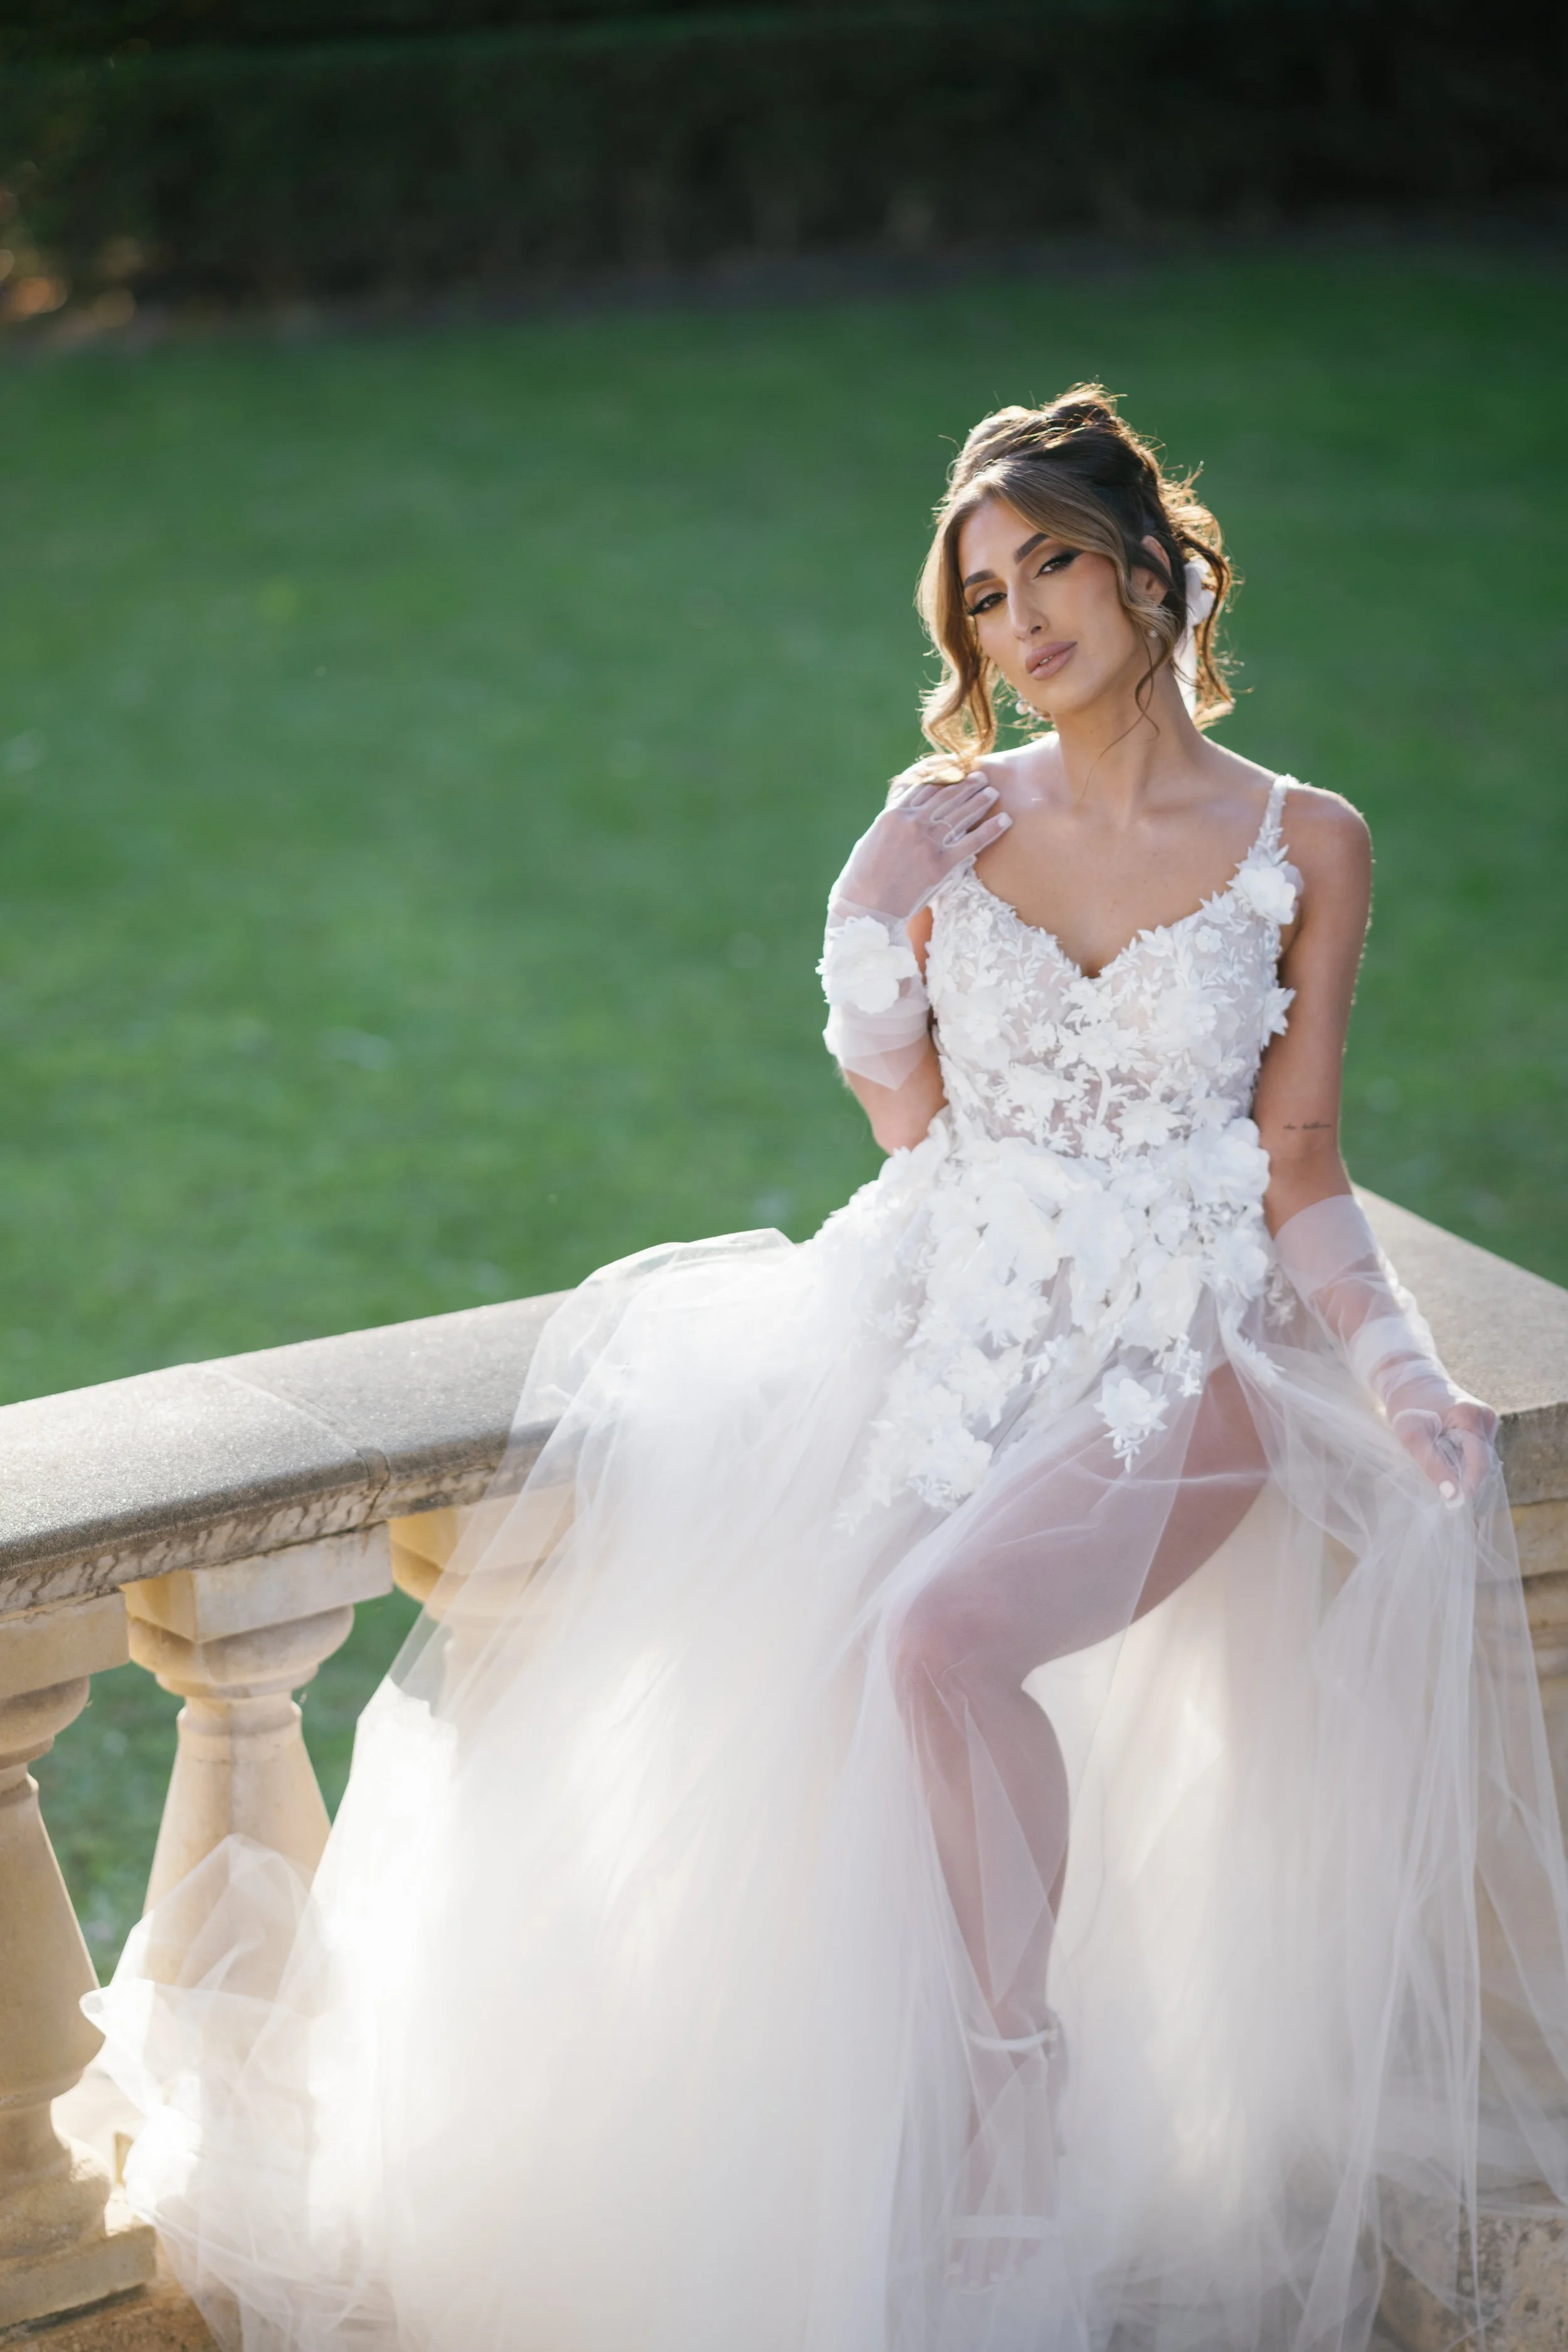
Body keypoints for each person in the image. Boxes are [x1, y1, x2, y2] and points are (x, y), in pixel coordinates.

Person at [95, 386, 1568, 2352]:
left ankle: (1014, 2069)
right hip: (944, 1300)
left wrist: (1398, 1377)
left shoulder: (1305, 838)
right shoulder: (950, 818)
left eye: (1048, 563)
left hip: (1186, 1332)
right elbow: (906, 1123)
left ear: (1147, 565)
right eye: (980, 595)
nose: (1017, 621)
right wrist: (864, 914)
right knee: (766, 1695)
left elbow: (1298, 1160)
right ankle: (847, 2160)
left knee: (939, 1636)